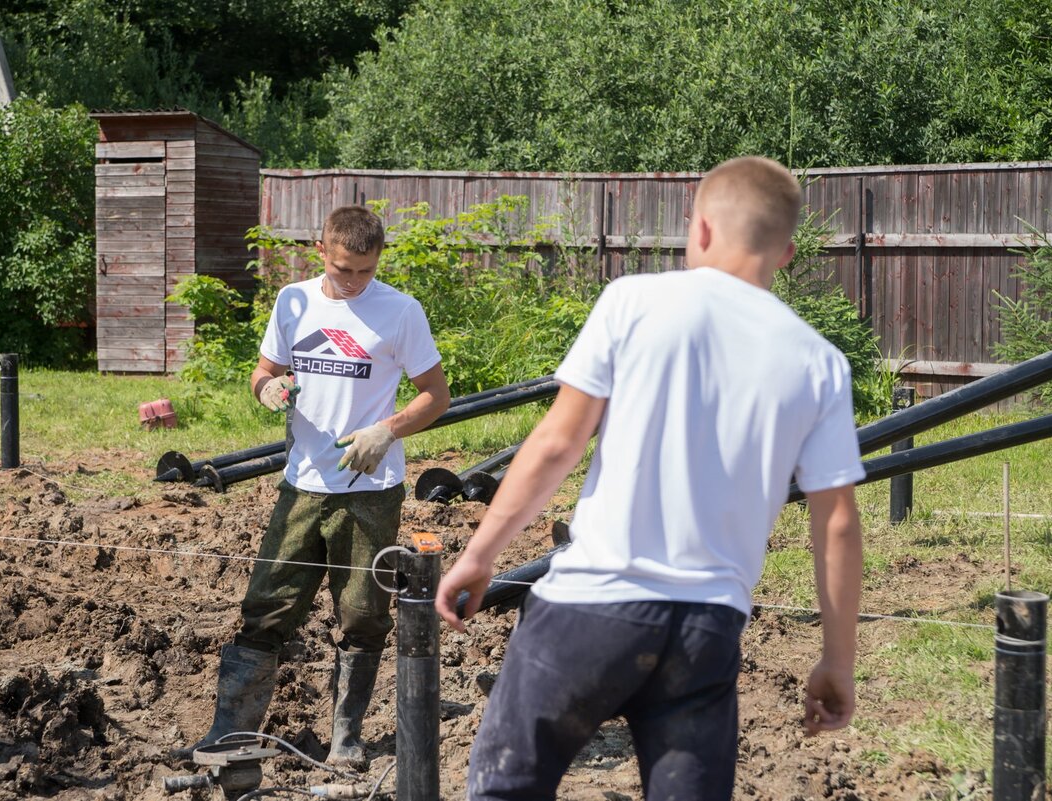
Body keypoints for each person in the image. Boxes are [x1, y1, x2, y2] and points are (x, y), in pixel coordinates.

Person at [436, 156, 865, 801]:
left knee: (506, 789)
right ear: (787, 252)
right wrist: (837, 662)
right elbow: (835, 522)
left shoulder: (634, 301)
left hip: (591, 608)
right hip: (707, 629)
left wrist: (480, 555)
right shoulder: (819, 362)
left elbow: (558, 442)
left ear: (701, 229)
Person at [184, 205, 451, 768]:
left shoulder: (400, 312)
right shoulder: (293, 301)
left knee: (362, 615)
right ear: (320, 250)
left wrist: (388, 428)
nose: (353, 282)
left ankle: (346, 739)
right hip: (302, 485)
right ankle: (229, 736)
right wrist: (266, 390)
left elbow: (436, 394)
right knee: (267, 606)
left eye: (364, 271)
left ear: (378, 260)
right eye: (342, 269)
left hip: (370, 487)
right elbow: (263, 371)